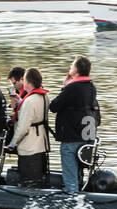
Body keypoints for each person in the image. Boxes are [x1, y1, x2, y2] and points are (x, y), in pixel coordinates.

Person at [49, 55, 101, 195]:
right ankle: (79, 196)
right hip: (86, 135)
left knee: (70, 171)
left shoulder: (72, 87)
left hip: (72, 135)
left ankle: (71, 198)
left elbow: (53, 106)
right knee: (79, 170)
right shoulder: (91, 87)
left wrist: (64, 87)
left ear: (76, 70)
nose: (69, 67)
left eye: (72, 65)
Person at [9, 67, 50, 188]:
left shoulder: (29, 101)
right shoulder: (44, 97)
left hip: (29, 147)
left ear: (27, 82)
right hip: (41, 145)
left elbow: (23, 127)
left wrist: (13, 143)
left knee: (28, 183)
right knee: (38, 182)